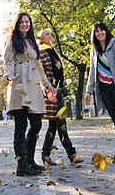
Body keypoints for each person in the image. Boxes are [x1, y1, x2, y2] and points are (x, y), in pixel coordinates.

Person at [3, 12, 56, 176]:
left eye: (27, 22)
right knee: (21, 126)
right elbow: (7, 60)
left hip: (33, 86)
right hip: (19, 84)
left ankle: (30, 161)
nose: (25, 24)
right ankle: (21, 165)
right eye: (22, 22)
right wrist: (9, 75)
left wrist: (47, 85)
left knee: (36, 125)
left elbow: (39, 66)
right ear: (17, 24)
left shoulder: (33, 42)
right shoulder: (12, 40)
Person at [84, 22, 115, 164]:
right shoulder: (94, 50)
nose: (100, 33)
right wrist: (88, 91)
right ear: (94, 35)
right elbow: (92, 72)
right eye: (97, 31)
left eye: (102, 30)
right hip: (104, 89)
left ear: (106, 31)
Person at [37, 28, 83, 165]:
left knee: (53, 125)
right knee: (61, 123)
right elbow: (42, 75)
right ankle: (72, 153)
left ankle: (45, 154)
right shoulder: (41, 52)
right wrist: (49, 90)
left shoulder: (52, 51)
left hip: (58, 92)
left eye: (51, 33)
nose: (51, 36)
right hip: (51, 93)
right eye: (47, 34)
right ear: (42, 39)